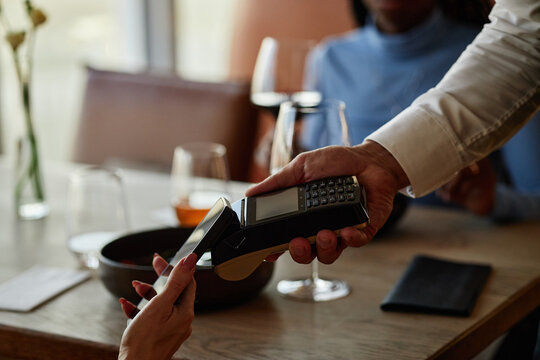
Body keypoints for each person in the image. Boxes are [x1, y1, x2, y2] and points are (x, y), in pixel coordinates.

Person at [118, 0, 539, 357]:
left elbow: (524, 45)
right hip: (365, 279)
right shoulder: (332, 57)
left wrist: (492, 199)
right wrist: (378, 161)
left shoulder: (476, 45)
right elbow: (524, 39)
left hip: (456, 273)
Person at [302, 0, 540, 222]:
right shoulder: (329, 59)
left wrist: (494, 201)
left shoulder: (499, 56)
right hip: (361, 254)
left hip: (460, 252)